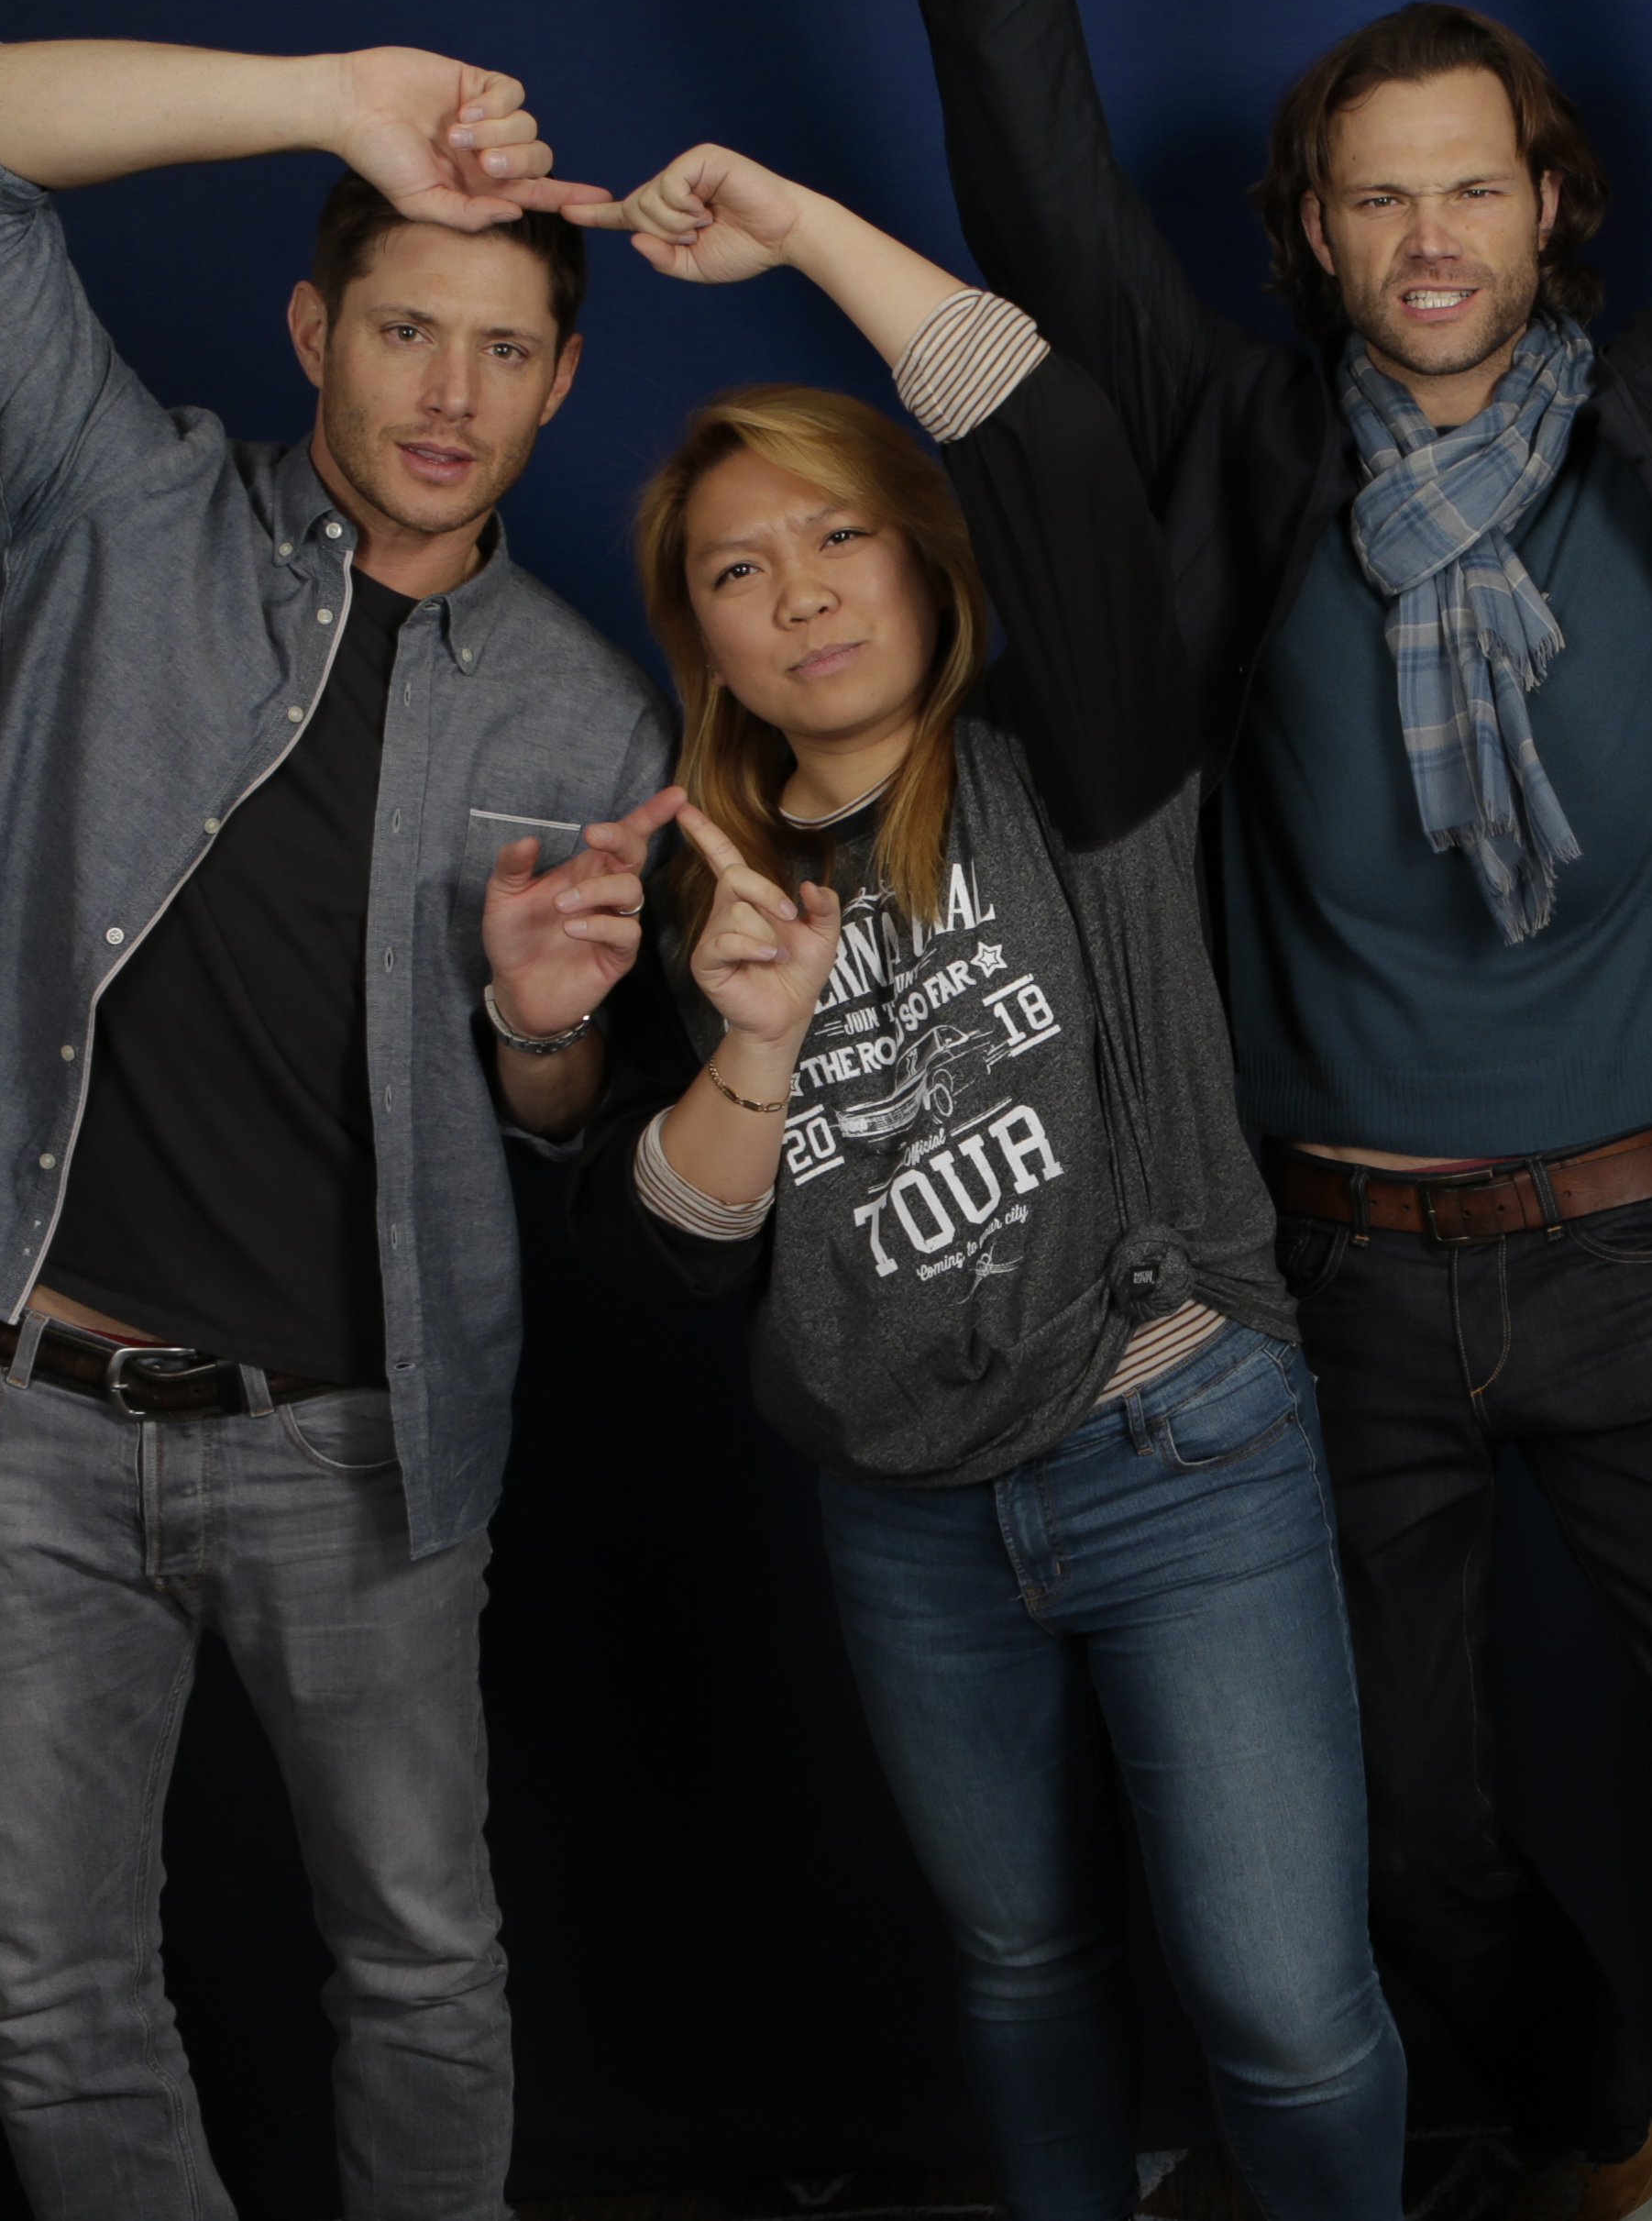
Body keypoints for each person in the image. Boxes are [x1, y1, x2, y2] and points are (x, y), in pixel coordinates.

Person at [883, 0, 1652, 2221]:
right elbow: (1035, 195)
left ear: (1545, 208)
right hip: (1320, 1278)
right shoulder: (1232, 449)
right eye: (1374, 199)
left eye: (1471, 190)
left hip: (1641, 1254)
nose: (1429, 241)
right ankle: (1588, 2128)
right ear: (1313, 234)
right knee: (1387, 1843)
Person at [508, 141, 1402, 2221]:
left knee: (1283, 2008)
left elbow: (1048, 434)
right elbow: (655, 1255)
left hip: (1177, 1443)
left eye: (841, 535)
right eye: (738, 570)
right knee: (1019, 1965)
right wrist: (748, 1042)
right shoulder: (693, 892)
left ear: (925, 563)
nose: (803, 592)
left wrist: (798, 228)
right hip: (902, 1516)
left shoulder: (1069, 743)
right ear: (700, 638)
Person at [0, 30, 673, 2219]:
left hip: (357, 1448)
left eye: (502, 349)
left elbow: (561, 1122)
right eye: (405, 328)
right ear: (313, 330)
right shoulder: (107, 511)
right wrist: (328, 98)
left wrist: (538, 1030)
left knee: (421, 1967)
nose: (447, 392)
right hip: (19, 1414)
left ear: (560, 384)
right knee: (58, 2000)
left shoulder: (593, 714)